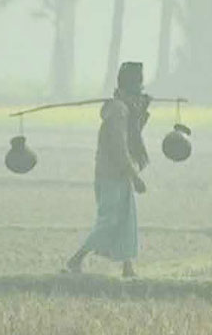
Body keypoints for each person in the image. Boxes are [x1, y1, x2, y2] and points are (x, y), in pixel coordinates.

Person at [65, 61, 151, 277]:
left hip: (120, 174)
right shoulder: (118, 112)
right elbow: (120, 148)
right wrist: (135, 176)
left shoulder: (124, 109)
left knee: (126, 219)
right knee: (109, 220)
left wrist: (142, 111)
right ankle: (76, 259)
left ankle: (127, 267)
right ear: (125, 90)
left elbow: (134, 133)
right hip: (111, 175)